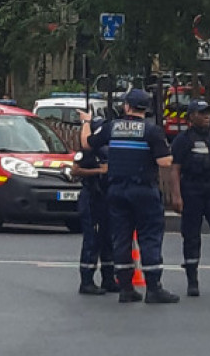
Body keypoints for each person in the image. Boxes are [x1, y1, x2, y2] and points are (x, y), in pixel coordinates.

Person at [80, 89, 178, 304]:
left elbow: (87, 143)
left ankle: (126, 288)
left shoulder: (111, 127)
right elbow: (165, 162)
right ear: (147, 108)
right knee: (150, 236)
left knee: (121, 237)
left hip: (116, 191)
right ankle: (153, 288)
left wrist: (86, 121)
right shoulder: (152, 131)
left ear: (126, 106)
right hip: (143, 190)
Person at [169, 99, 210, 296]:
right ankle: (192, 281)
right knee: (190, 235)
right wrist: (176, 195)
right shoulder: (183, 140)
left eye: (208, 112)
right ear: (191, 117)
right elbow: (175, 169)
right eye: (202, 113)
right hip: (192, 189)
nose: (207, 116)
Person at [72, 117, 118, 295]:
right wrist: (99, 171)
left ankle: (108, 278)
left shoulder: (110, 150)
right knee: (92, 240)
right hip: (92, 197)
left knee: (109, 240)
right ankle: (87, 280)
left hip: (107, 198)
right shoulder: (87, 152)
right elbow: (75, 170)